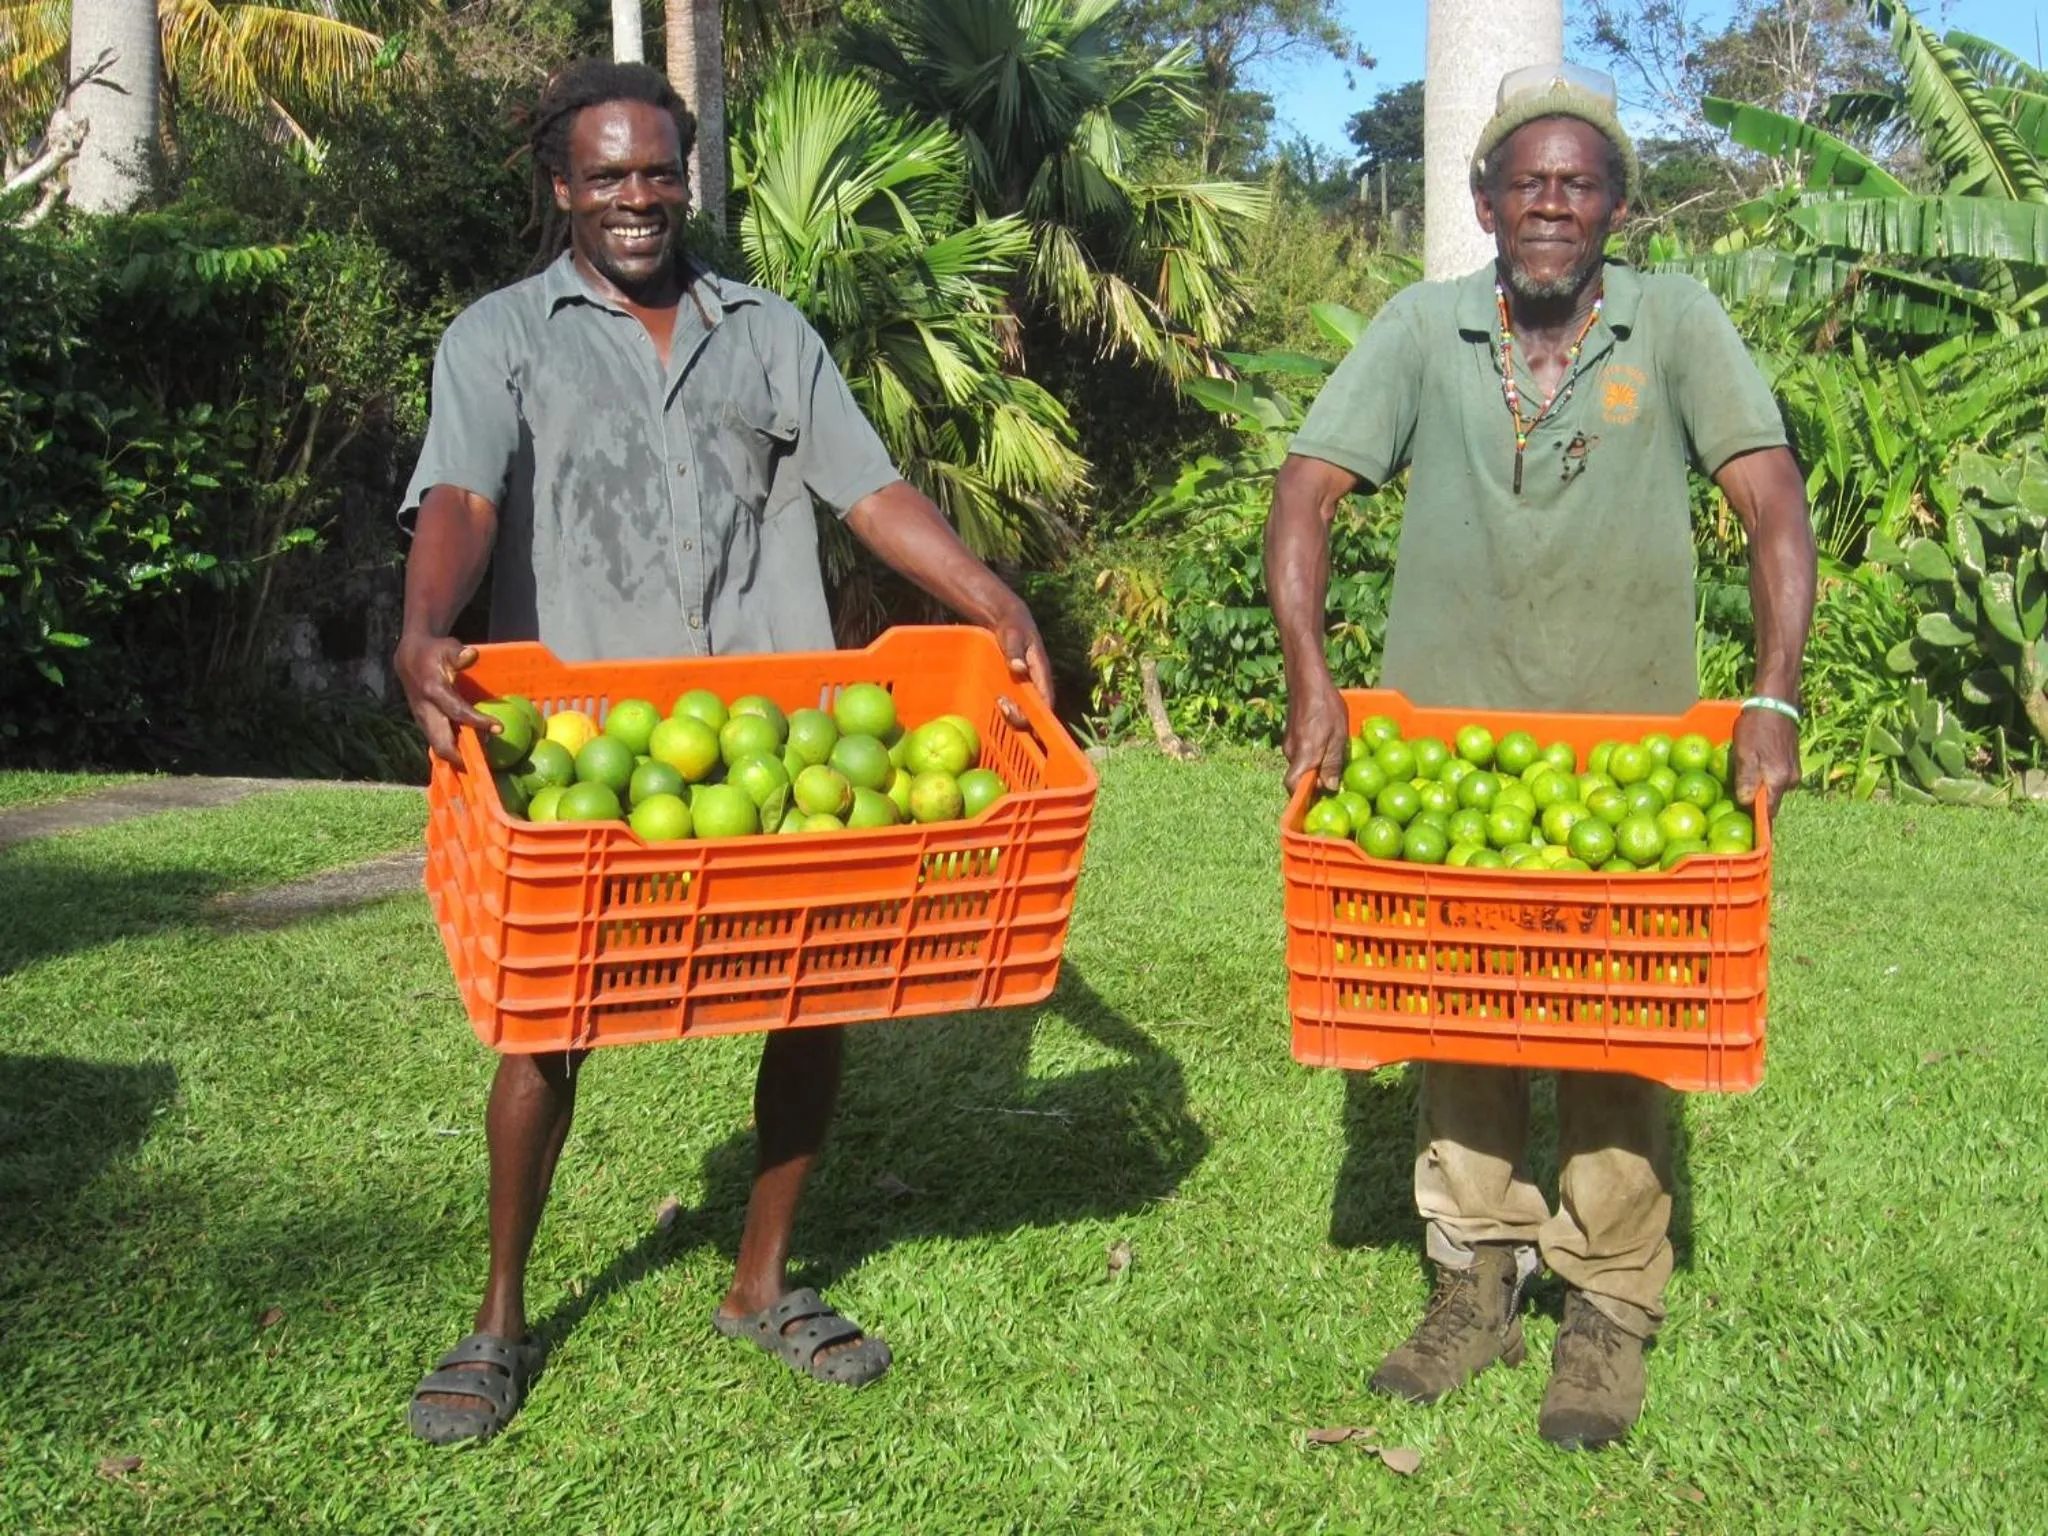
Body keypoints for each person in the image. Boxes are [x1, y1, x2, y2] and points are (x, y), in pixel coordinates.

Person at [393, 60, 1055, 1446]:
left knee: (811, 996)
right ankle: (502, 1315)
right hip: (590, 747)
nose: (637, 197)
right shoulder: (499, 337)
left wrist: (988, 595)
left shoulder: (767, 332)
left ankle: (761, 1283)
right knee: (545, 1022)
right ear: (561, 186)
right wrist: (422, 626)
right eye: (608, 174)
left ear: (682, 179)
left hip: (776, 732)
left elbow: (865, 489)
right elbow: (458, 493)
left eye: (657, 172)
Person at [1265, 64, 1816, 1450]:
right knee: (1459, 1007)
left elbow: (1771, 503)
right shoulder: (1421, 327)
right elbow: (1307, 488)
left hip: (1629, 760)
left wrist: (1776, 694)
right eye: (1529, 183)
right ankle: (1475, 1282)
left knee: (1617, 1024)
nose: (1552, 207)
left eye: (1579, 185)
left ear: (1617, 207)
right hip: (1448, 760)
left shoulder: (1675, 322)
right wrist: (1315, 679)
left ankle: (1610, 1308)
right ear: (1485, 200)